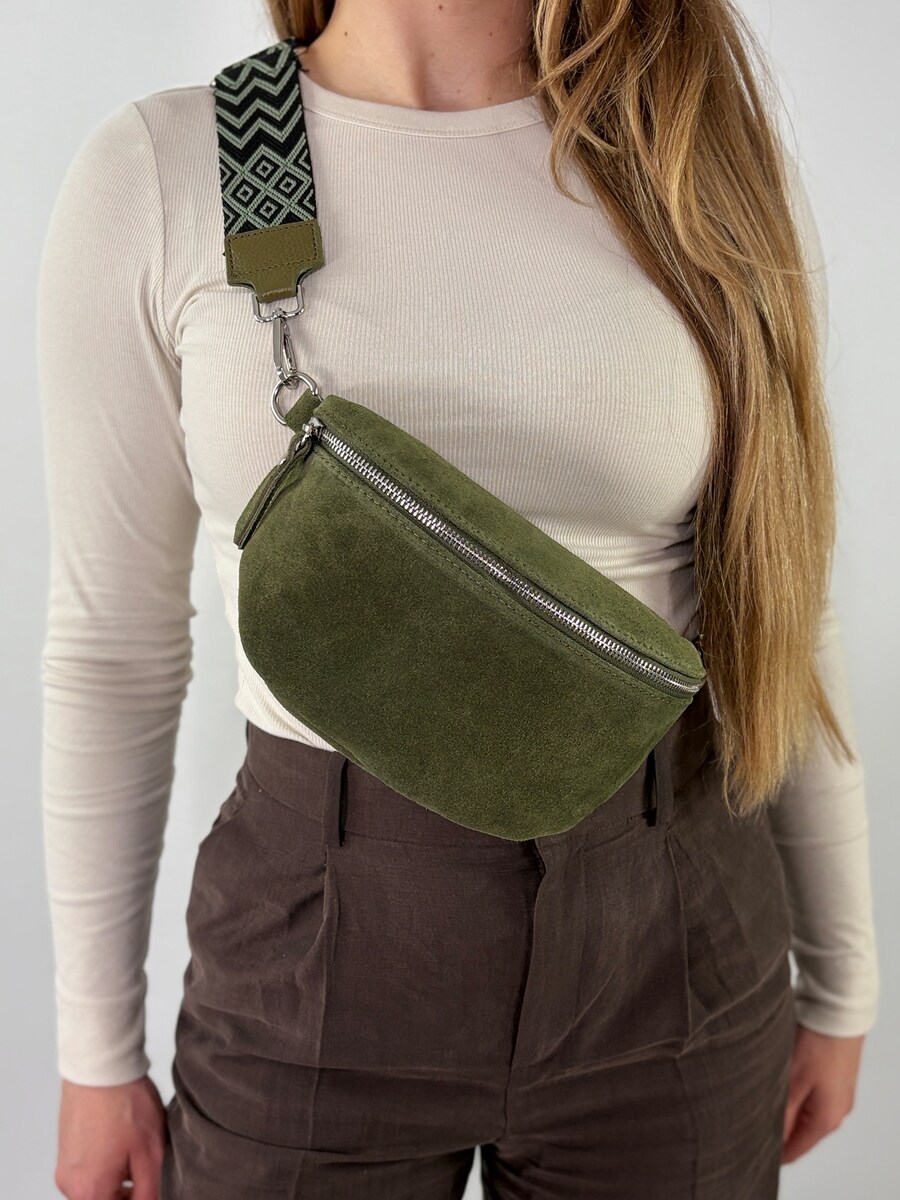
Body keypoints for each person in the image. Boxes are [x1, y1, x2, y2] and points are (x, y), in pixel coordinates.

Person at [38, 1, 879, 1197]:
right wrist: (94, 1052)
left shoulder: (685, 153)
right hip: (313, 942)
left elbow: (786, 600)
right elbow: (110, 646)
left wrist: (844, 979)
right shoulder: (180, 170)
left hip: (673, 931)